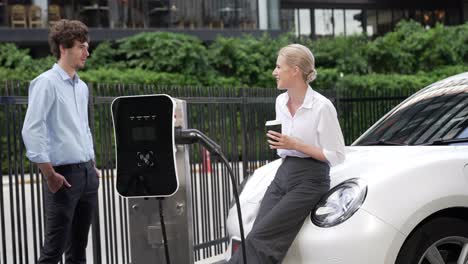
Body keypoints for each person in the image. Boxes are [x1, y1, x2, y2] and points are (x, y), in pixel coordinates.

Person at [228, 44, 345, 263]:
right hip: (284, 173)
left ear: (295, 71)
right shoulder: (280, 101)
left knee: (262, 239)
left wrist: (297, 144)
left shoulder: (322, 107)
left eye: (278, 66)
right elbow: (288, 144)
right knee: (257, 234)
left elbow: (337, 155)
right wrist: (282, 143)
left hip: (310, 179)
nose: (274, 72)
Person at [22, 19, 99, 264]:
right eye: (81, 47)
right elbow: (32, 129)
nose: (87, 53)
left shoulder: (82, 87)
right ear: (63, 48)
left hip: (87, 174)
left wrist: (92, 164)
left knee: (78, 250)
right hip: (63, 176)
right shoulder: (46, 83)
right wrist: (49, 173)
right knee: (53, 251)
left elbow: (83, 128)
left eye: (87, 47)